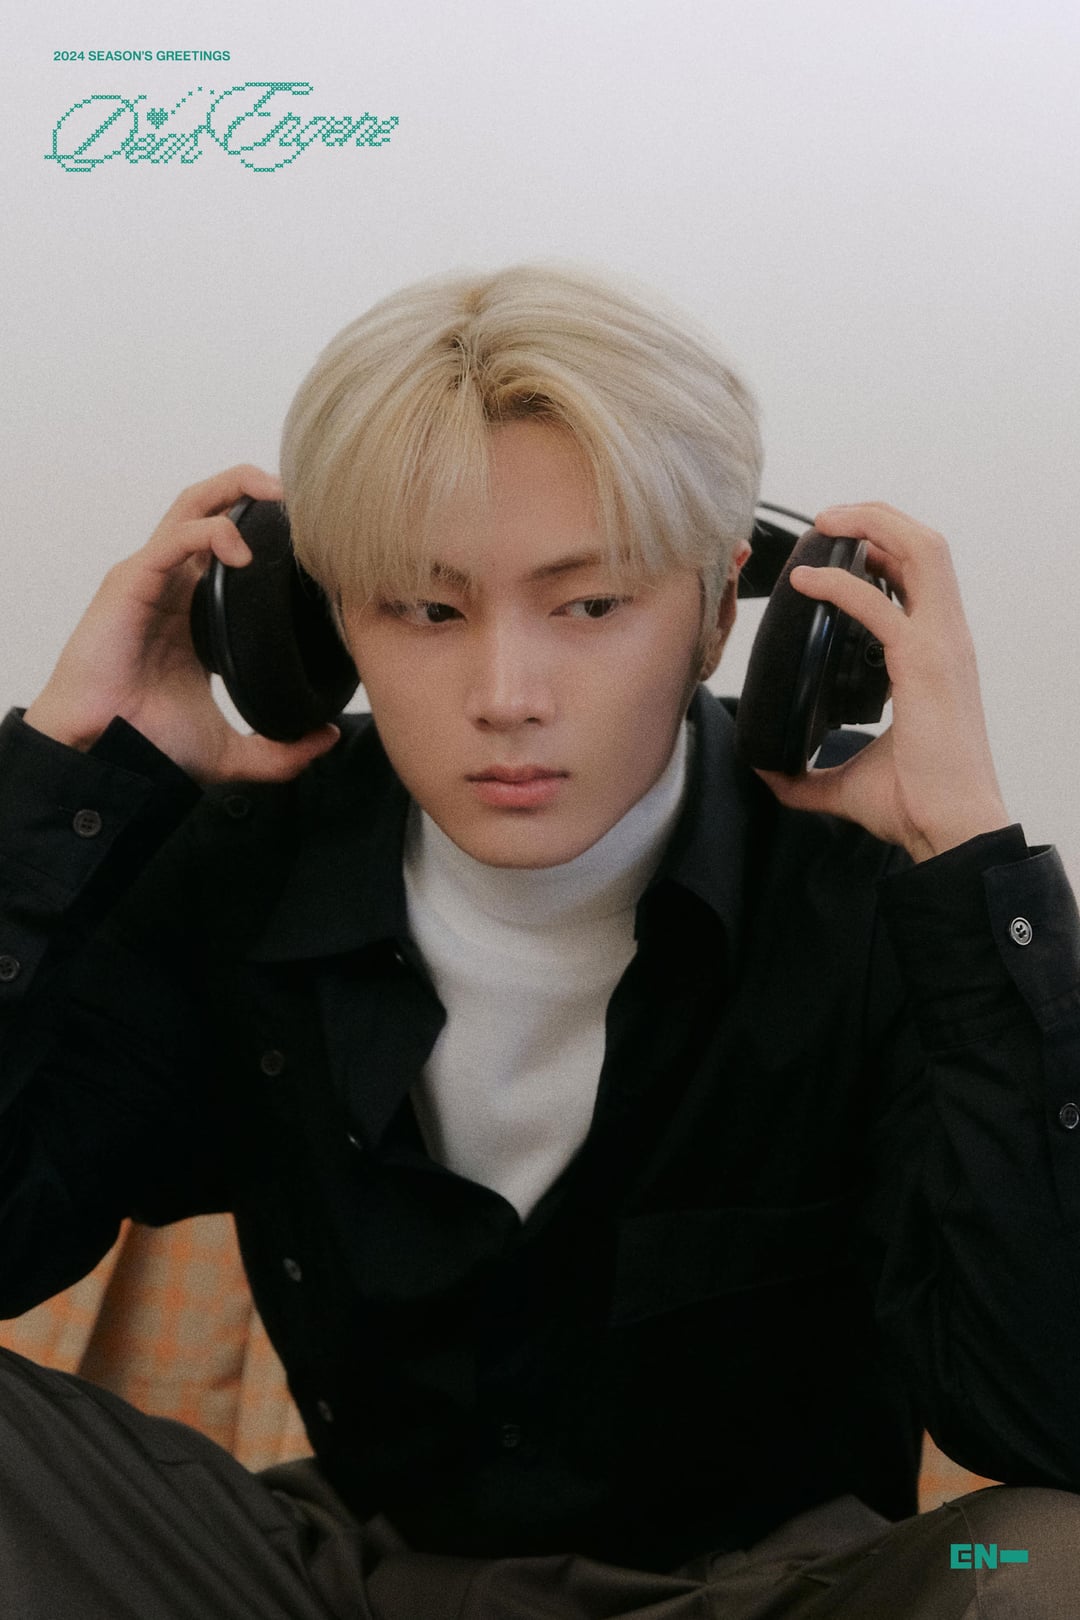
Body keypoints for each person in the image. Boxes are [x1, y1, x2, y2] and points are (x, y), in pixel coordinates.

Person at [1, 263, 1079, 1619]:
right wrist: (64, 777)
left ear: (721, 608)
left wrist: (969, 861)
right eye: (425, 609)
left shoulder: (867, 902)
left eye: (590, 606)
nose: (506, 698)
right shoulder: (239, 867)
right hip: (335, 1584)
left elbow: (1046, 1418)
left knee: (1042, 1558)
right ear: (315, 624)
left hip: (767, 1596)